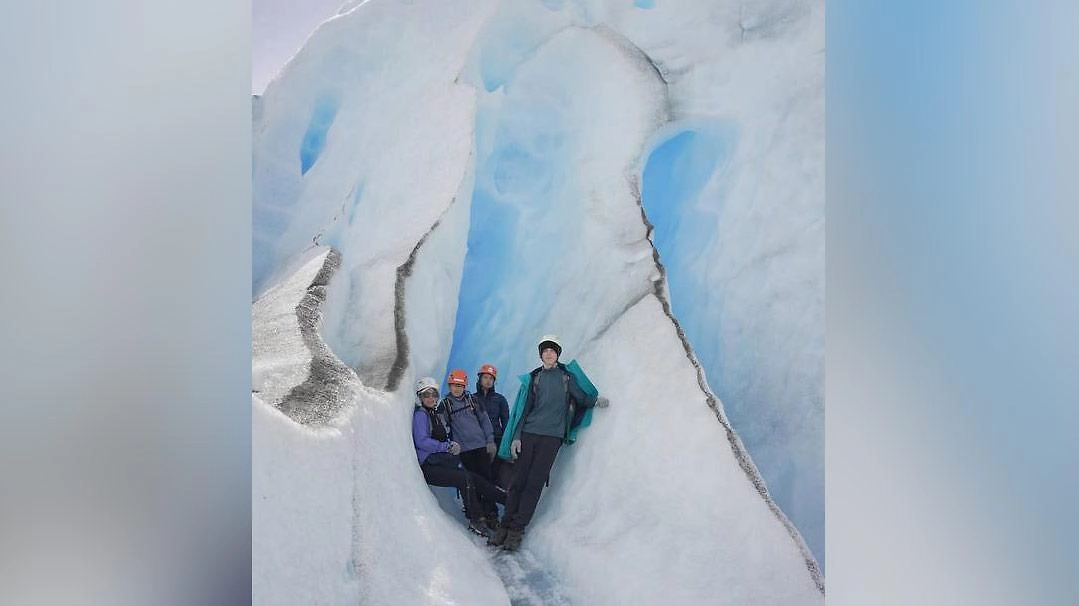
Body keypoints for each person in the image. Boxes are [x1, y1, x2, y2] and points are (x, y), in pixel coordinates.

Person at [489, 335, 610, 551]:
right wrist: (516, 436)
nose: (548, 353)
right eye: (545, 350)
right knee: (518, 481)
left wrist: (595, 402)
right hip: (529, 434)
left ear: (557, 354)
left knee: (534, 484)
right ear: (541, 355)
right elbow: (523, 410)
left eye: (552, 350)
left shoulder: (566, 377)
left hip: (551, 438)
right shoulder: (534, 377)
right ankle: (504, 526)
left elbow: (581, 398)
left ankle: (517, 529)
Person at [412, 376, 503, 535]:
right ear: (419, 396)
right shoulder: (421, 415)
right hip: (429, 466)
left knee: (476, 479)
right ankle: (476, 519)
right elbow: (421, 441)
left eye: (433, 394)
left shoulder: (432, 413)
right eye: (426, 395)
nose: (431, 398)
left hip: (439, 461)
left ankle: (508, 501)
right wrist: (445, 446)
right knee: (465, 479)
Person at [441, 369, 501, 524]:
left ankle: (491, 514)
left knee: (486, 480)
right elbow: (443, 428)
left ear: (464, 386)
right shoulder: (445, 405)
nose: (456, 388)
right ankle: (477, 513)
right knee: (472, 483)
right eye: (454, 385)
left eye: (459, 386)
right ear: (449, 386)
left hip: (480, 447)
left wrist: (490, 441)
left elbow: (485, 421)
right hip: (464, 451)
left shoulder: (472, 400)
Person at [472, 363, 511, 488]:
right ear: (480, 379)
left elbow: (506, 422)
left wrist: (506, 442)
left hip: (496, 439)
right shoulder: (471, 399)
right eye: (485, 377)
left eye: (491, 378)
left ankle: (489, 501)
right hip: (477, 441)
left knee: (493, 472)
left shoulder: (500, 399)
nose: (488, 381)